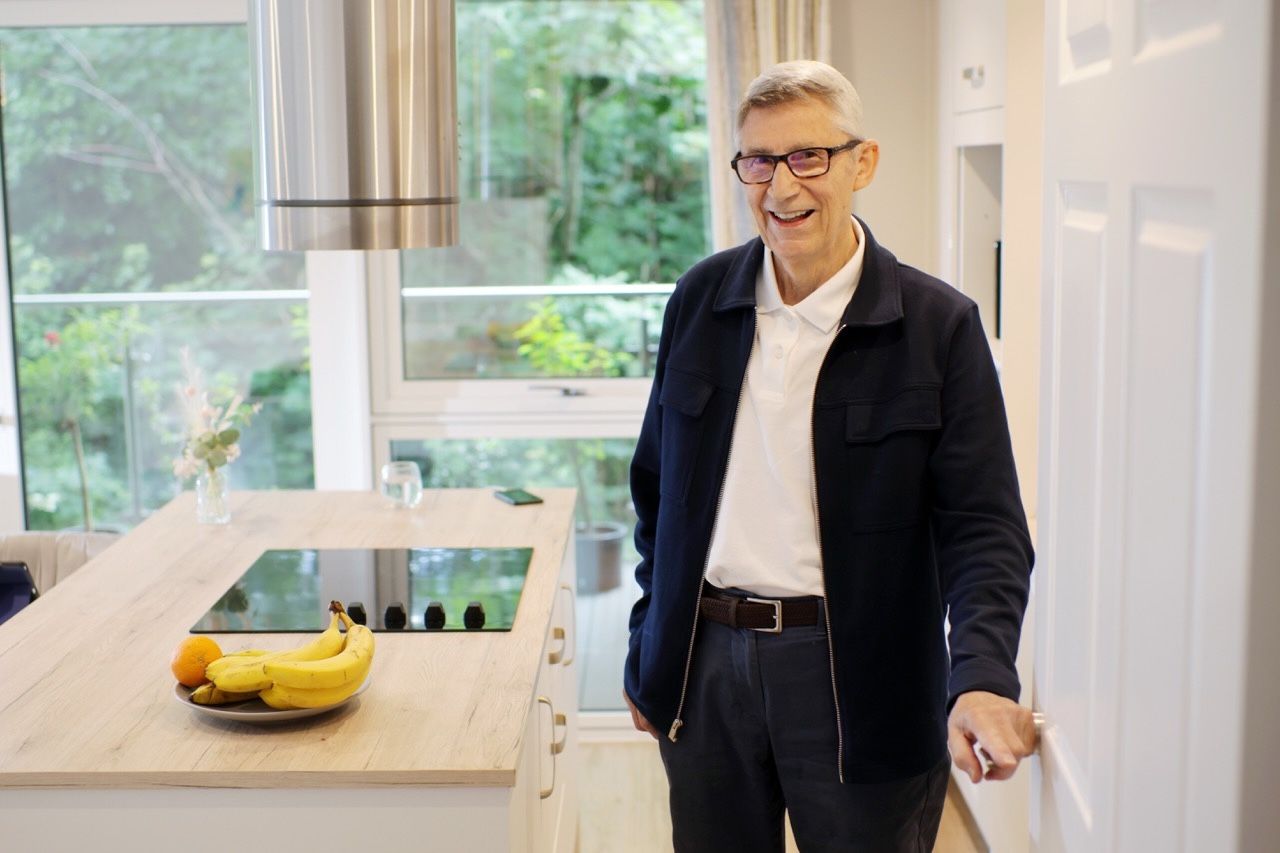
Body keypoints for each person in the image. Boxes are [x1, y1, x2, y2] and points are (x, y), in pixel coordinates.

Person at [622, 60, 1037, 852]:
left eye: (807, 156)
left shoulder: (938, 326)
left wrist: (983, 674)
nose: (782, 187)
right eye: (759, 161)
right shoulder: (699, 301)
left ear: (862, 162)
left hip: (861, 681)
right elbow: (655, 489)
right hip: (703, 672)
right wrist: (652, 637)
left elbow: (984, 528)